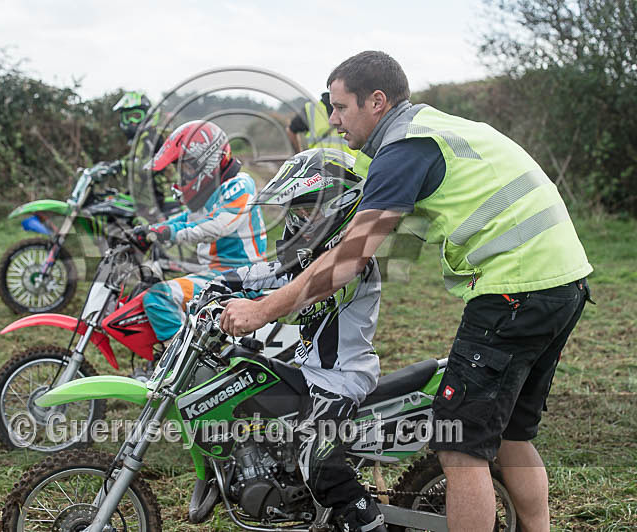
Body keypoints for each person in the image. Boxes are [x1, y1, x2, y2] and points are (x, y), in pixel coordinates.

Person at [221, 50, 593, 532]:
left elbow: (349, 259)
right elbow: (337, 169)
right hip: (563, 281)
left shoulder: (404, 149)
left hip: (515, 289)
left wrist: (261, 310)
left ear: (377, 101)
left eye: (340, 107)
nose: (333, 120)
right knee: (512, 435)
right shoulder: (422, 129)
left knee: (459, 446)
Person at [214, 148, 387, 531]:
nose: (297, 221)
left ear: (337, 210)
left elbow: (300, 293)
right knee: (241, 377)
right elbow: (264, 270)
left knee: (319, 463)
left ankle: (368, 523)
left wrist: (256, 308)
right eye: (294, 212)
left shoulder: (353, 266)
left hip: (341, 379)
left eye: (306, 213)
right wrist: (213, 285)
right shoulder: (309, 259)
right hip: (310, 373)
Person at [132, 120, 267, 346]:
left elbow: (218, 225)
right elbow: (185, 219)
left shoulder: (240, 185)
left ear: (206, 161)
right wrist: (150, 231)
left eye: (185, 169)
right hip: (219, 275)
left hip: (240, 279)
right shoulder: (212, 192)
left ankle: (179, 370)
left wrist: (166, 233)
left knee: (158, 298)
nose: (181, 177)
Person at [111, 91, 176, 218]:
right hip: (142, 196)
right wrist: (111, 166)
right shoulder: (140, 139)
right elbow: (133, 160)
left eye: (136, 116)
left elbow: (148, 165)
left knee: (146, 232)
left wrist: (121, 165)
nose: (132, 121)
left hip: (158, 197)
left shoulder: (152, 137)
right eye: (127, 117)